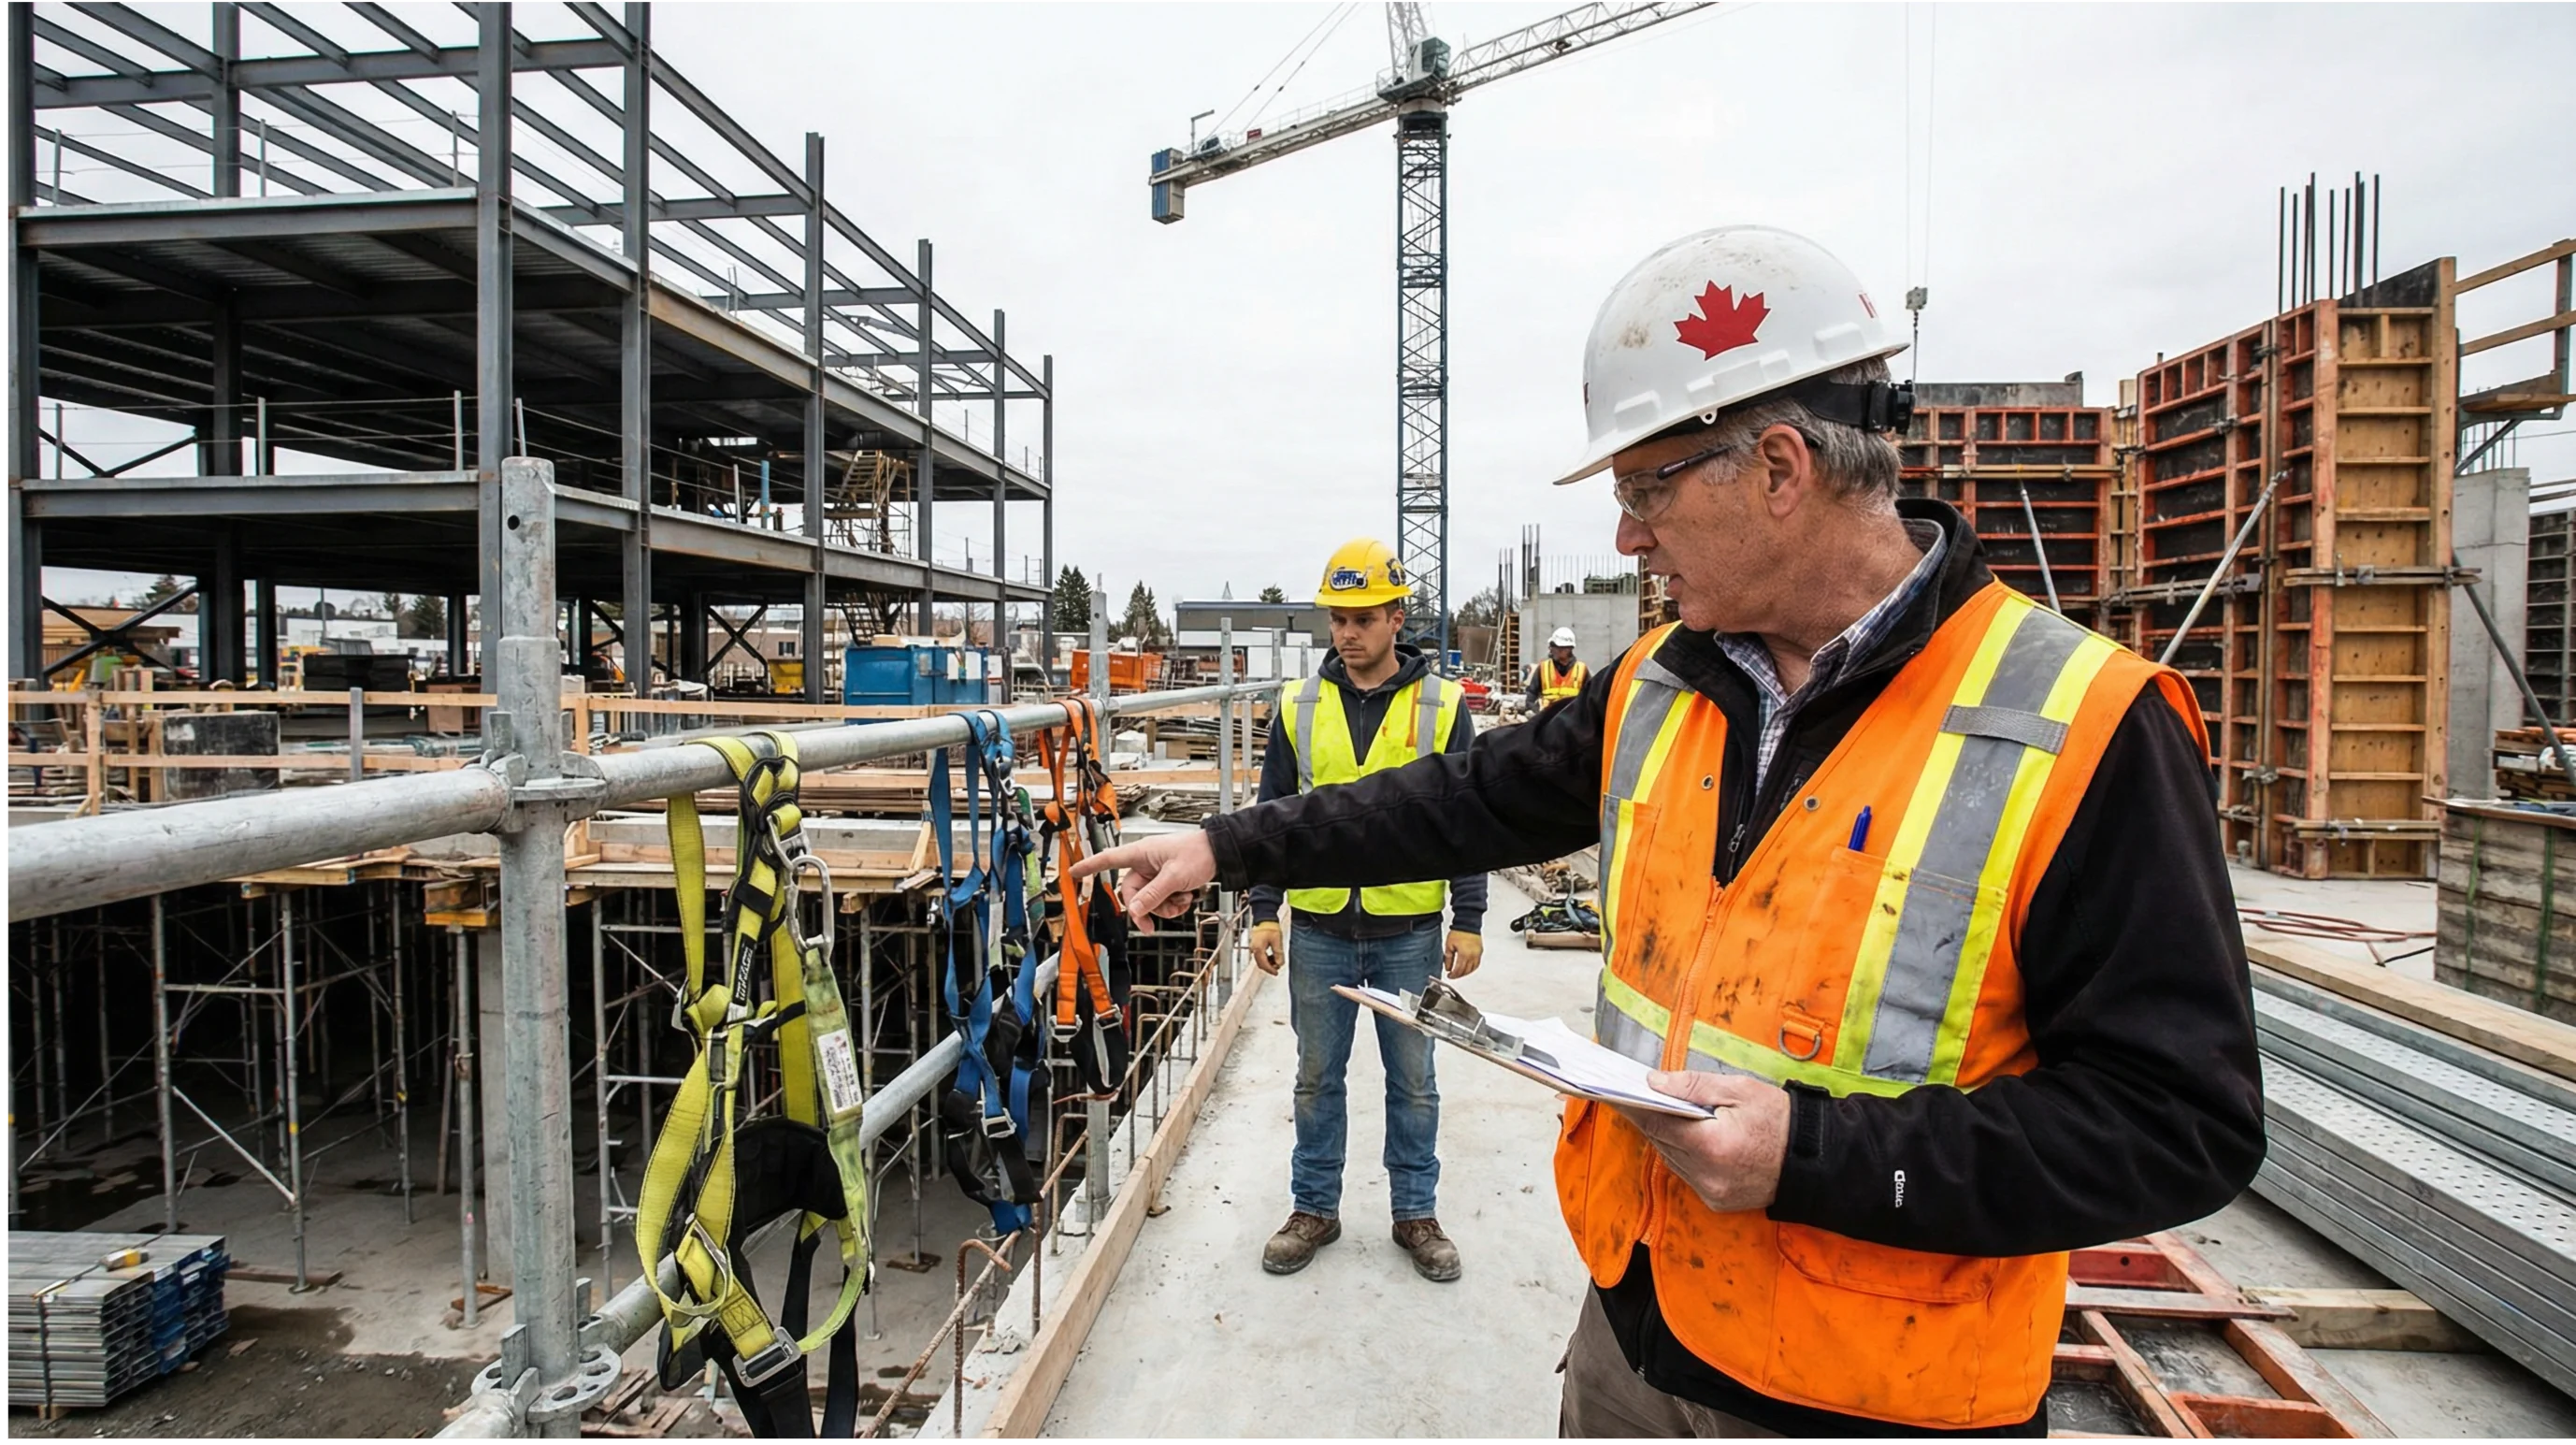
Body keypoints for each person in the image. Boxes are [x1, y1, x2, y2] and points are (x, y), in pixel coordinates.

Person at [1073, 226, 2263, 1441]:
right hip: (1636, 1341)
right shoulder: (1661, 683)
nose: (1628, 536)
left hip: (1867, 1399)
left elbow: (2180, 1122)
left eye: (1645, 490)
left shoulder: (2077, 726)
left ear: (1779, 467)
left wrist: (1813, 1155)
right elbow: (1452, 799)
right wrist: (1229, 847)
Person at [1246, 538, 1486, 1283]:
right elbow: (1271, 816)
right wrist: (1262, 908)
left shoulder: (1441, 706)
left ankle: (1415, 1212)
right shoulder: (1299, 704)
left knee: (1412, 1079)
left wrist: (1469, 916)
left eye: (1361, 617)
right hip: (1317, 930)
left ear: (1395, 617)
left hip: (1407, 934)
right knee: (1317, 1078)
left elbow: (1466, 816)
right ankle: (1313, 1206)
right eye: (1336, 619)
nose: (1346, 633)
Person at [1525, 626, 1588, 709]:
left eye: (1554, 646)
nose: (1551, 650)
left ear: (1567, 649)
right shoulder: (1544, 668)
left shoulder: (1581, 670)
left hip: (1572, 718)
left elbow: (1589, 697)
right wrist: (1535, 712)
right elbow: (1531, 694)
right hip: (1548, 718)